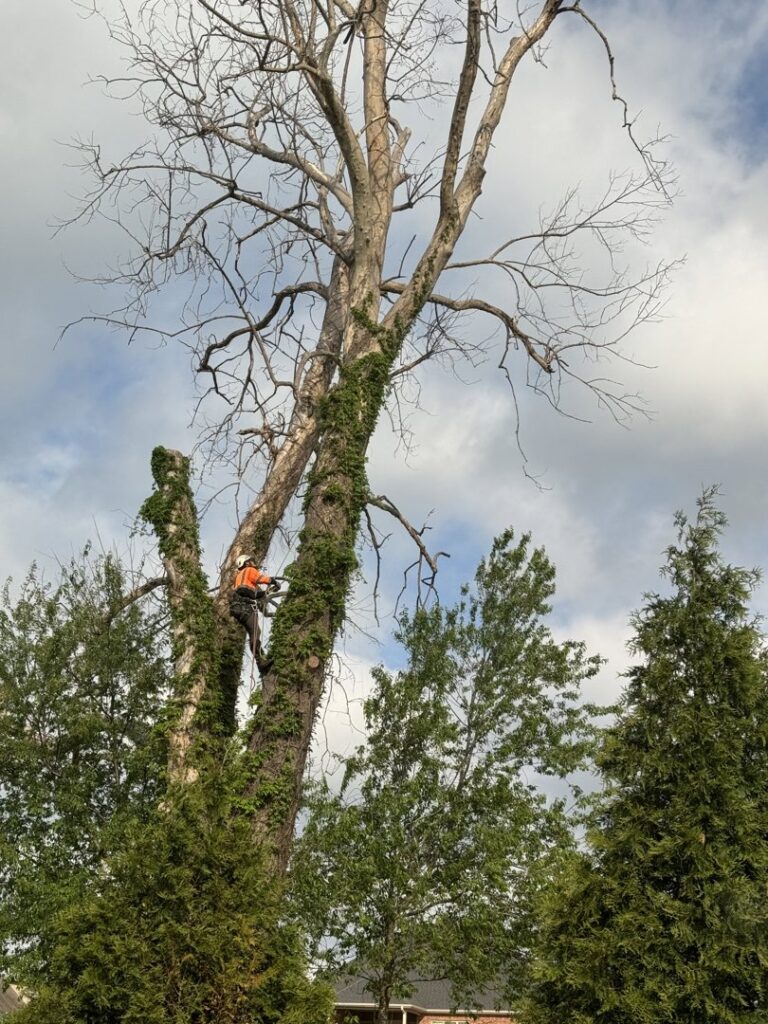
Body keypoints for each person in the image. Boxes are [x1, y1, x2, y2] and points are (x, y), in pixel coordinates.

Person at [229, 554, 277, 671]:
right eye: (250, 561)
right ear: (246, 563)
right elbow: (260, 579)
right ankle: (260, 662)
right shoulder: (249, 570)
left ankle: (261, 660)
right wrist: (273, 581)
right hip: (244, 607)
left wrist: (264, 593)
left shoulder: (239, 577)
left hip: (238, 608)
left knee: (254, 632)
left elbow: (250, 593)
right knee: (255, 632)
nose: (253, 562)